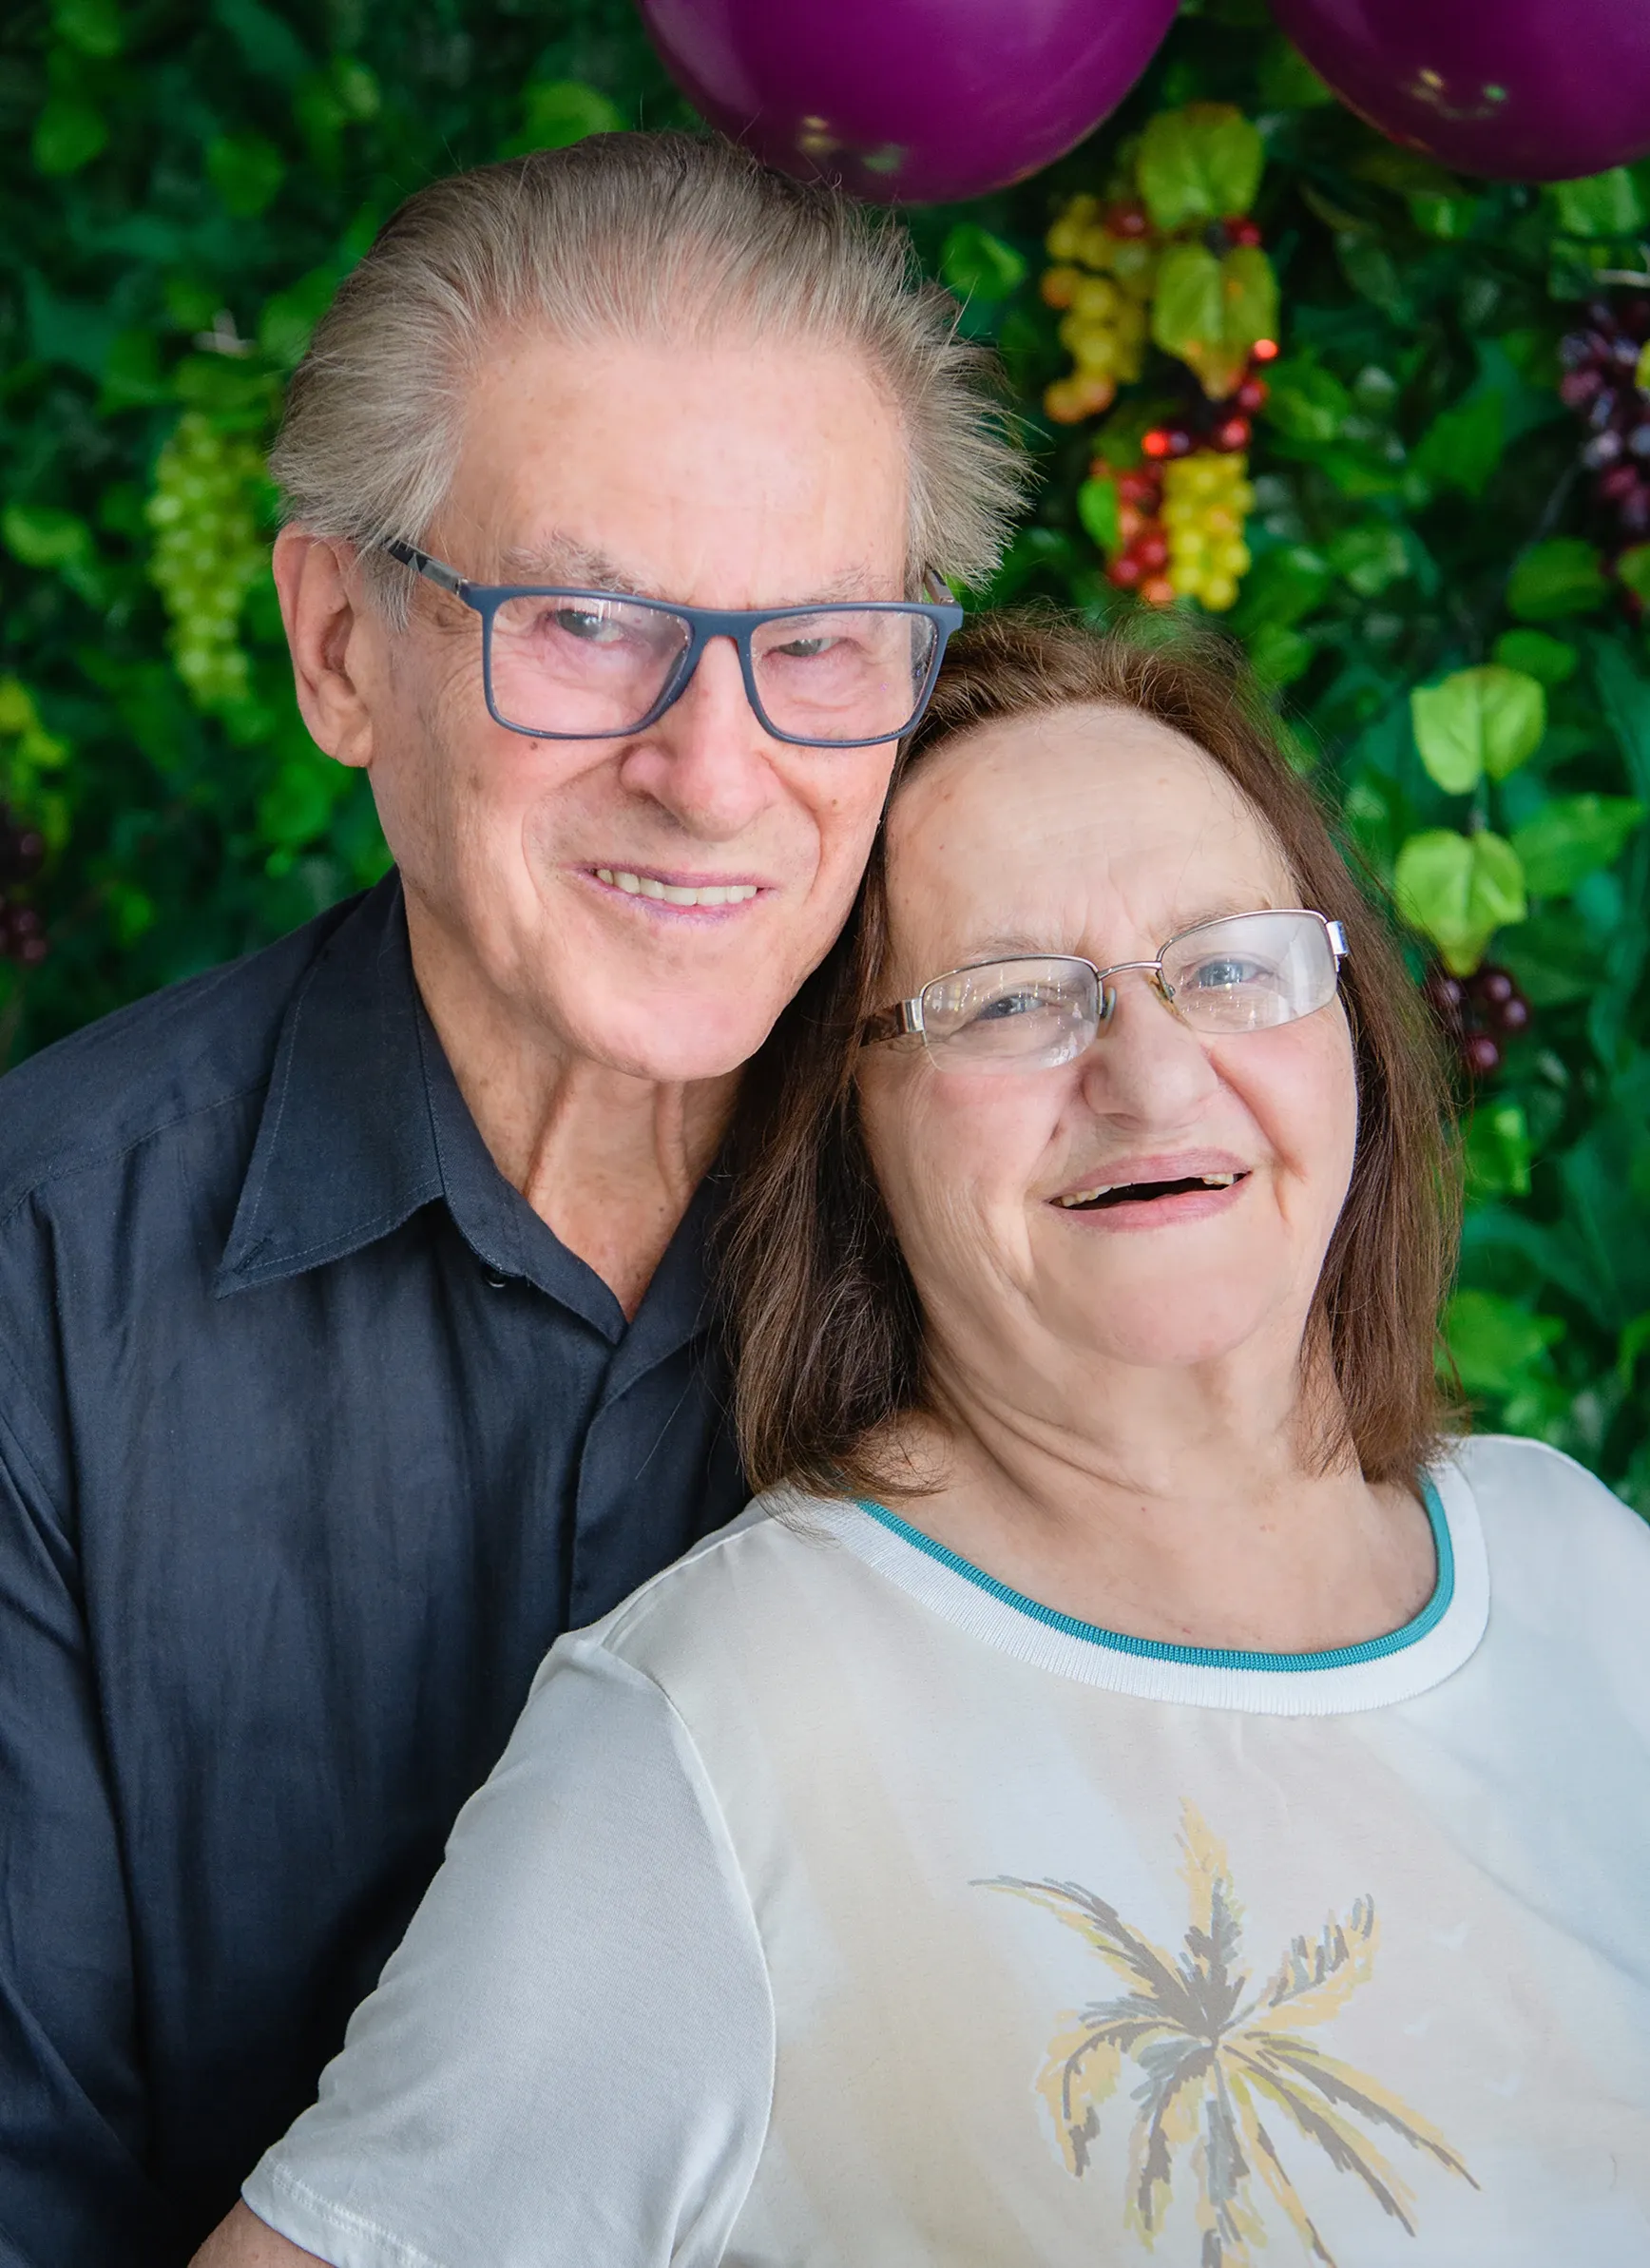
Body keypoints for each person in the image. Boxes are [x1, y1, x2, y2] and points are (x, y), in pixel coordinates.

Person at [202, 612, 1650, 2268]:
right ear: (844, 1131)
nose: (1155, 1073)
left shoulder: (1577, 1562)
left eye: (1233, 962)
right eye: (1014, 1000)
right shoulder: (734, 1722)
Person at [0, 132, 1022, 2264]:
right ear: (340, 646)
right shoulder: (37, 1275)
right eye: (582, 622)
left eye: (820, 642)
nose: (713, 765)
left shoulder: (1032, 1226)